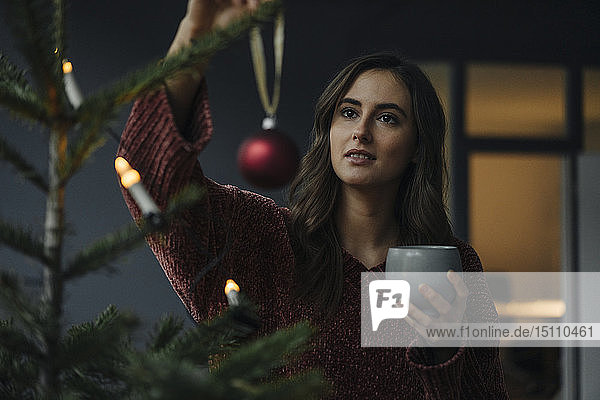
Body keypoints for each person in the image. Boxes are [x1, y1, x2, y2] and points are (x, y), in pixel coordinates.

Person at [118, 1, 509, 398]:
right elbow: (146, 177)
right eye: (349, 112)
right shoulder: (262, 238)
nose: (361, 131)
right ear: (329, 130)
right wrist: (195, 36)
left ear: (416, 147)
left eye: (387, 117)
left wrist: (439, 353)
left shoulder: (450, 268)